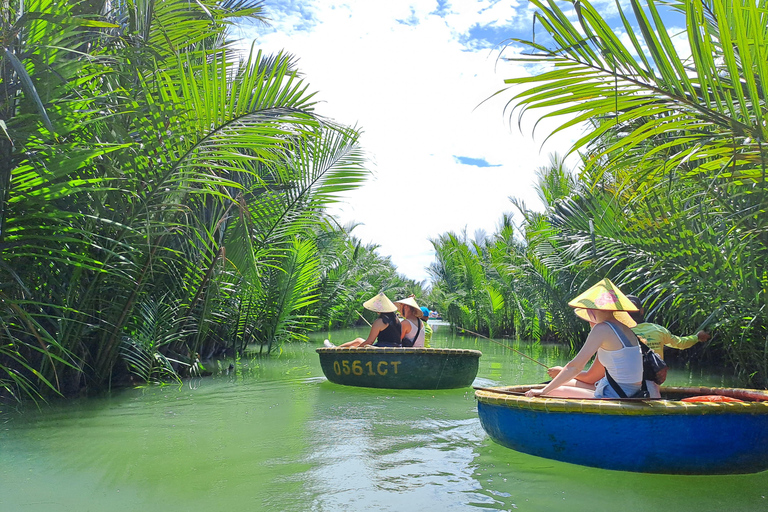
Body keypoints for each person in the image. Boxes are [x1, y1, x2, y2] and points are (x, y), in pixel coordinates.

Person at [525, 278, 645, 399]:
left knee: (551, 391)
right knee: (561, 384)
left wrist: (544, 391)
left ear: (591, 309)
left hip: (617, 394)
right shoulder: (625, 328)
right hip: (629, 391)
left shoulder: (602, 328)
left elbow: (575, 367)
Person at [626, 295, 710, 360]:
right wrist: (697, 337)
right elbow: (681, 343)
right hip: (653, 380)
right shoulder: (658, 330)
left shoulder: (617, 332)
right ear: (642, 311)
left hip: (627, 379)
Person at [323, 293, 402, 348]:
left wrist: (357, 348)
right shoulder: (396, 319)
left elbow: (369, 342)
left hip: (382, 348)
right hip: (394, 346)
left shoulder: (380, 321)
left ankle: (335, 349)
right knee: (358, 340)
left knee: (356, 346)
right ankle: (335, 348)